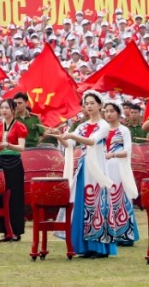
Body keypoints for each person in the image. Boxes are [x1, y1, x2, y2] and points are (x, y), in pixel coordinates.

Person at [52, 92, 115, 258]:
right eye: (86, 103)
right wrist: (60, 136)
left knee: (96, 204)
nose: (89, 106)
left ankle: (99, 247)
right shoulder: (81, 126)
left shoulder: (104, 125)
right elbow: (70, 144)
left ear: (100, 105)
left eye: (92, 103)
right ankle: (84, 247)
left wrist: (72, 135)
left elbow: (92, 141)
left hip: (97, 167)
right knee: (82, 204)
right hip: (83, 167)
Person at [101, 100, 139, 247]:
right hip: (105, 168)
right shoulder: (102, 130)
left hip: (118, 168)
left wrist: (114, 155)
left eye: (111, 111)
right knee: (107, 200)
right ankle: (110, 233)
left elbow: (128, 150)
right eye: (106, 111)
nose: (108, 114)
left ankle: (126, 235)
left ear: (118, 113)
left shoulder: (123, 130)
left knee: (120, 198)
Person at [0, 99, 27, 242]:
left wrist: (9, 144)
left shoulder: (19, 126)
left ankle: (16, 231)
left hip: (14, 162)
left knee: (15, 196)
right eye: (2, 108)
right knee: (1, 195)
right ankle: (5, 231)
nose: (4, 110)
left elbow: (22, 148)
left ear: (13, 110)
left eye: (7, 107)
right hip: (1, 162)